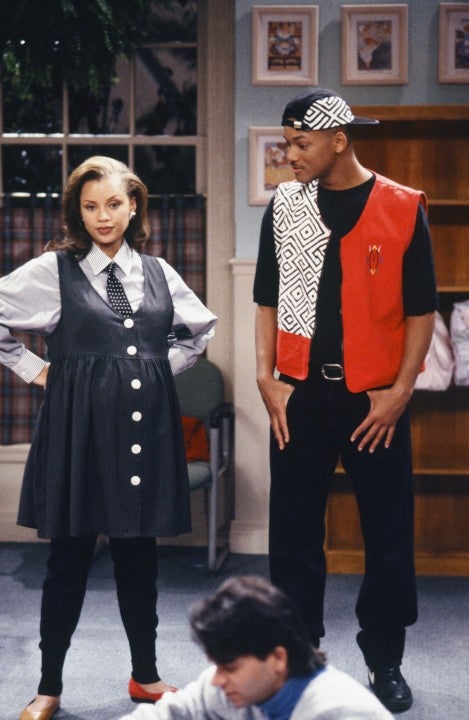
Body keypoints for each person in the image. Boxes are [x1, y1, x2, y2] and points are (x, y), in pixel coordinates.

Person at [0, 155, 217, 720]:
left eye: (114, 204)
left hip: (143, 431)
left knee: (138, 558)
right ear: (77, 211)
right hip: (78, 433)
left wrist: (154, 369)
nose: (102, 216)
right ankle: (48, 686)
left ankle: (145, 676)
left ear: (134, 206)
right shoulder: (54, 271)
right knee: (68, 560)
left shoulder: (159, 272)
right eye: (90, 206)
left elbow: (200, 331)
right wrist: (37, 370)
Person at [253, 89, 438, 713]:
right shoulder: (285, 207)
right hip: (299, 396)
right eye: (287, 143)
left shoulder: (403, 206)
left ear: (339, 140)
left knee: (387, 534)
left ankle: (385, 659)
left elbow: (421, 310)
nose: (290, 155)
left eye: (301, 143)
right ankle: (299, 661)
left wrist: (400, 392)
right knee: (293, 534)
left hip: (373, 402)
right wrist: (265, 377)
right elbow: (265, 298)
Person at [118, 575, 394, 720]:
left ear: (278, 658)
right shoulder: (225, 688)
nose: (216, 680)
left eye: (230, 667)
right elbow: (164, 715)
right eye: (217, 665)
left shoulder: (345, 712)